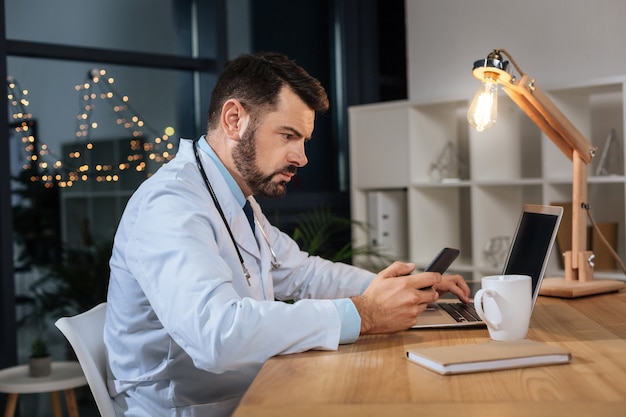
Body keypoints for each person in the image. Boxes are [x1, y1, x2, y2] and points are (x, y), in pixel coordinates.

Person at [104, 51, 470, 417]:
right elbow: (218, 335)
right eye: (288, 135)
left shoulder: (235, 197)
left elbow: (302, 272)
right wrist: (365, 314)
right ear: (234, 120)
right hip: (193, 409)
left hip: (252, 390)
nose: (302, 157)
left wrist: (396, 289)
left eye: (305, 140)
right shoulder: (170, 204)